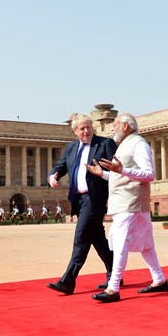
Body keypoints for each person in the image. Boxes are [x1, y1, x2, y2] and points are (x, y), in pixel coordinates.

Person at [86, 112, 168, 303]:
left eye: (115, 124)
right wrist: (103, 174)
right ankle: (159, 279)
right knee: (146, 243)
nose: (112, 128)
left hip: (131, 202)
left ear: (125, 126)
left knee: (120, 242)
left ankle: (113, 287)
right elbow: (121, 176)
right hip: (127, 201)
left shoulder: (139, 144)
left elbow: (149, 174)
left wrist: (121, 169)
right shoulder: (125, 144)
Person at [45, 113, 117, 295]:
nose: (86, 131)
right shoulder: (71, 148)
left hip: (95, 198)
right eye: (82, 128)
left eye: (88, 127)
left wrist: (107, 181)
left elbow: (117, 170)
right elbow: (61, 167)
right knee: (97, 239)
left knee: (81, 237)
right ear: (75, 131)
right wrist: (52, 175)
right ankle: (115, 274)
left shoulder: (105, 144)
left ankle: (68, 281)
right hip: (79, 199)